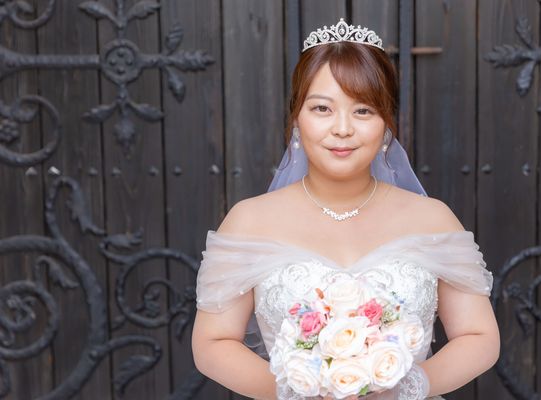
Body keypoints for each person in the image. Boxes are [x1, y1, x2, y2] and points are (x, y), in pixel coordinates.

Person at [191, 18, 499, 400]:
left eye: (363, 111)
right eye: (322, 108)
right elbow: (213, 342)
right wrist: (300, 391)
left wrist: (404, 388)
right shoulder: (249, 221)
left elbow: (478, 336)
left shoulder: (432, 218)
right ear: (296, 118)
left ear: (386, 123)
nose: (342, 129)